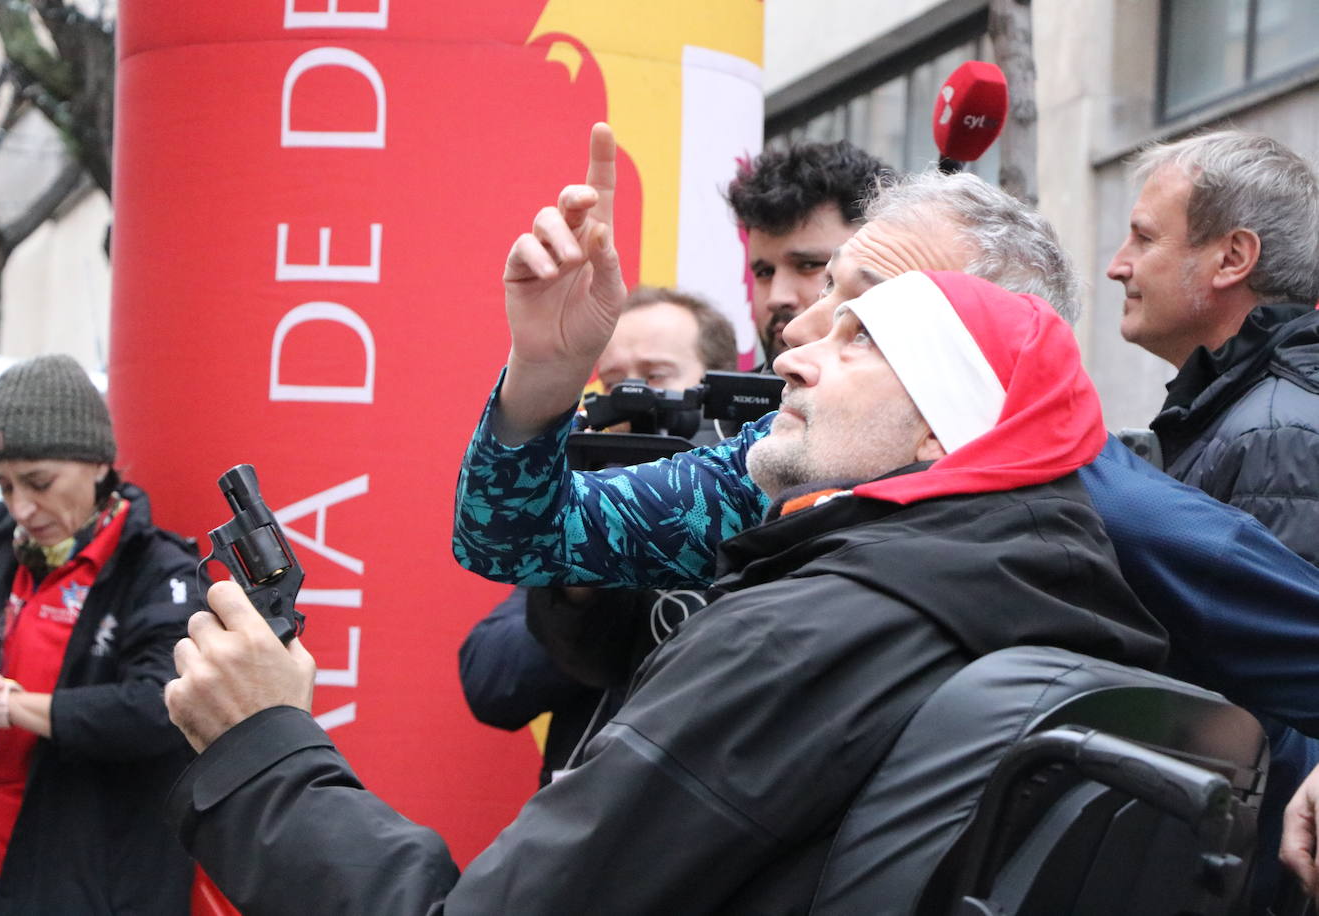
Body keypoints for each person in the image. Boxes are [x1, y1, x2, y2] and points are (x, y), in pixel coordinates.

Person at [451, 124, 1319, 908]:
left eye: (872, 315)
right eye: (831, 290)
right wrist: (546, 377)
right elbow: (516, 536)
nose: (800, 329)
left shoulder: (1107, 505)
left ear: (991, 348)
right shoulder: (784, 458)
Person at [163, 263, 1168, 914]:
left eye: (861, 336)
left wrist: (263, 748)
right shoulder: (1062, 601)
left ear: (945, 436)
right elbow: (517, 533)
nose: (794, 351)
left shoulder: (804, 635)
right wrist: (545, 374)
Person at [0, 354, 197, 914]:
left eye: (39, 482)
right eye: (4, 485)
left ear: (100, 463)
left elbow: (158, 709)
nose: (21, 507)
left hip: (85, 887)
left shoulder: (161, 574)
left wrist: (9, 707)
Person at [460, 286, 732, 785]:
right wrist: (586, 584)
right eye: (613, 382)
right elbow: (492, 681)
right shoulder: (578, 506)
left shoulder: (756, 500)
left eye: (654, 378)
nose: (632, 398)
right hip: (586, 805)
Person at [1106, 129, 1319, 563]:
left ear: (1233, 258)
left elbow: (1269, 627)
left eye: (1144, 238)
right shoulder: (1247, 416)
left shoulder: (1275, 435)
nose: (1117, 267)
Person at [727, 140, 891, 364]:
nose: (777, 298)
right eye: (764, 272)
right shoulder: (720, 397)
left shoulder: (938, 393)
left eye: (808, 265)